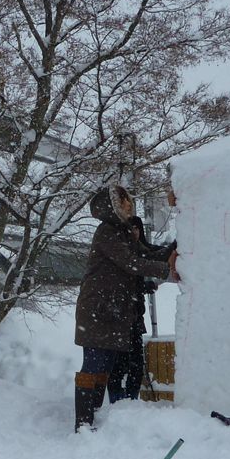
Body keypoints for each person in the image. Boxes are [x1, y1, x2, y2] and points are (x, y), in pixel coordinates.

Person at [73, 185, 177, 432]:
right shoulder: (107, 232)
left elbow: (147, 252)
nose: (130, 205)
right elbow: (132, 263)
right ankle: (84, 423)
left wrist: (173, 249)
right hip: (98, 311)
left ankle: (94, 418)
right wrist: (167, 270)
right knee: (95, 366)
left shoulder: (122, 231)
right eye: (124, 202)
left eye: (129, 201)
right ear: (113, 207)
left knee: (105, 367)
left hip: (113, 311)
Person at [106, 215, 174, 403]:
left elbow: (154, 254)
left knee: (136, 364)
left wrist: (174, 247)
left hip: (135, 315)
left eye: (137, 228)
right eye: (131, 228)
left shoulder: (140, 249)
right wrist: (144, 287)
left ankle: (131, 400)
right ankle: (117, 402)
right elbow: (126, 278)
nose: (135, 232)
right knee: (119, 364)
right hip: (119, 316)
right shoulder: (121, 252)